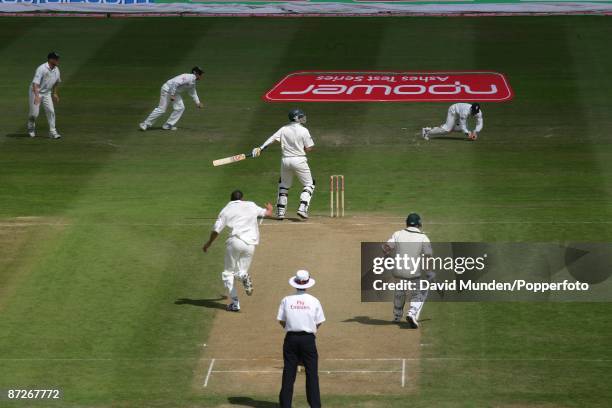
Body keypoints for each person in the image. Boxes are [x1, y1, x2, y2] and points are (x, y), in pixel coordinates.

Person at [202, 190, 273, 311]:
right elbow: (268, 214)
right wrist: (270, 208)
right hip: (250, 244)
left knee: (228, 273)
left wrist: (208, 243)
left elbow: (216, 230)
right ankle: (243, 275)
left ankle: (235, 304)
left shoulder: (226, 210)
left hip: (235, 242)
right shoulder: (250, 204)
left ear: (231, 199)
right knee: (240, 271)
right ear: (242, 199)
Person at [251, 109, 315, 220]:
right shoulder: (304, 130)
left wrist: (260, 148)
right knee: (309, 184)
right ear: (296, 118)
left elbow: (271, 139)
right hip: (299, 160)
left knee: (284, 185)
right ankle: (302, 208)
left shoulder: (283, 129)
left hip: (285, 161)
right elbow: (309, 148)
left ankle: (280, 212)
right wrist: (302, 147)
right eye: (300, 116)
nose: (302, 118)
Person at [277, 270, 325, 408]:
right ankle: (315, 406)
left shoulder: (286, 300)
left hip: (291, 339)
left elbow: (281, 320)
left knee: (288, 374)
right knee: (312, 375)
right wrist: (309, 328)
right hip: (308, 340)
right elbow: (319, 321)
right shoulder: (314, 301)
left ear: (295, 283)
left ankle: (285, 405)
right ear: (307, 284)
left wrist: (292, 327)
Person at [383, 213, 433, 329]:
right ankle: (412, 313)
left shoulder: (397, 234)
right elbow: (428, 257)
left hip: (397, 271)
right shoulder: (423, 237)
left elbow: (386, 247)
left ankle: (397, 315)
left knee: (400, 289)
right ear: (419, 224)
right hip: (413, 273)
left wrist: (387, 257)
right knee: (420, 291)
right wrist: (430, 273)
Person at [139, 66, 204, 131]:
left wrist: (198, 102)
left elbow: (193, 93)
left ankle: (167, 125)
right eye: (201, 74)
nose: (201, 76)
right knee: (162, 109)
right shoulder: (188, 77)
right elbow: (175, 83)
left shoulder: (193, 82)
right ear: (196, 73)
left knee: (180, 108)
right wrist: (172, 94)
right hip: (167, 89)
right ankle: (145, 124)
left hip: (174, 92)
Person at [27, 52, 62, 139]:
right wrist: (37, 96)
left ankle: (53, 132)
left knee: (51, 111)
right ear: (50, 60)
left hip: (47, 93)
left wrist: (54, 93)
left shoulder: (56, 69)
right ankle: (31, 127)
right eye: (55, 59)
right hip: (35, 92)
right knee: (34, 114)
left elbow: (57, 82)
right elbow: (35, 83)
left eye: (57, 59)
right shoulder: (41, 68)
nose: (57, 60)